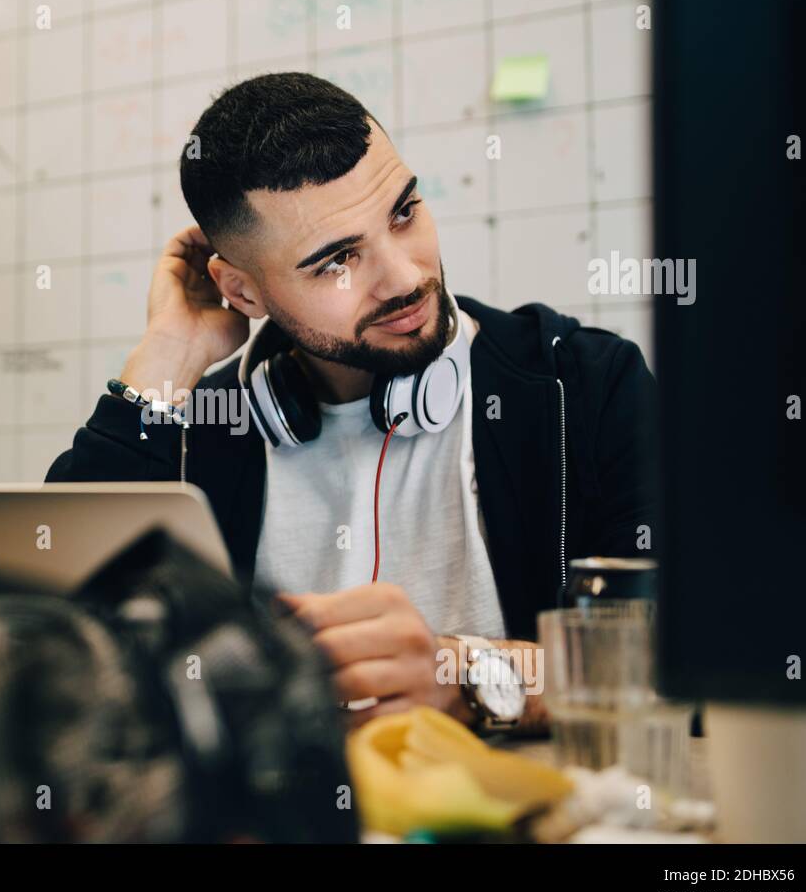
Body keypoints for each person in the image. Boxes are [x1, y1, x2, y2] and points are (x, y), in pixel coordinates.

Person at [48, 73, 656, 732]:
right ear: (244, 294)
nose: (404, 277)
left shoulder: (583, 386)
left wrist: (467, 677)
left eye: (403, 212)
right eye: (337, 259)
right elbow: (53, 664)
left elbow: (683, 657)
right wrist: (166, 360)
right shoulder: (196, 429)